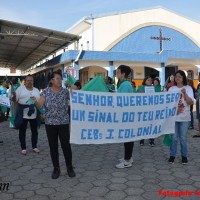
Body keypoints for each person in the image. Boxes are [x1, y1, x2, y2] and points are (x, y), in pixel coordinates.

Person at [31, 71, 75, 179]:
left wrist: (72, 86)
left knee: (66, 146)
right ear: (51, 81)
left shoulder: (65, 92)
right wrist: (35, 101)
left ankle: (69, 167)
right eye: (57, 78)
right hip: (50, 124)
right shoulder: (45, 92)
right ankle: (56, 168)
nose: (60, 80)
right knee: (53, 147)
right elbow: (40, 106)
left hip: (64, 123)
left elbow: (76, 97)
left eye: (60, 78)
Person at [168, 70, 194, 164]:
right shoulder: (171, 89)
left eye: (179, 76)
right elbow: (168, 103)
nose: (177, 78)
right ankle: (172, 155)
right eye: (176, 76)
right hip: (173, 118)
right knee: (174, 138)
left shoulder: (188, 88)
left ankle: (184, 156)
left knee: (183, 138)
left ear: (183, 78)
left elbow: (190, 102)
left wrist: (185, 93)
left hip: (184, 118)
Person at [12, 75, 41, 155]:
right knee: (22, 131)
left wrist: (41, 112)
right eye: (28, 80)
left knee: (34, 131)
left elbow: (39, 102)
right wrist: (13, 96)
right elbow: (15, 100)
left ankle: (34, 146)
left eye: (31, 80)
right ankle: (23, 148)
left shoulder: (36, 90)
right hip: (23, 113)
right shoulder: (20, 89)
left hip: (34, 113)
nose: (29, 82)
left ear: (33, 81)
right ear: (25, 81)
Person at [115, 65, 134, 169]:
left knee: (128, 138)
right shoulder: (122, 83)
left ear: (123, 74)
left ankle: (127, 161)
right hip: (124, 114)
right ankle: (128, 157)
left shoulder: (126, 84)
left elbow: (122, 99)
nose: (116, 74)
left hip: (126, 115)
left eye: (118, 72)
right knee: (127, 137)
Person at [137, 76, 155, 147]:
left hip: (151, 109)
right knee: (143, 125)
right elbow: (135, 95)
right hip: (143, 110)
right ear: (145, 81)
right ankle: (142, 140)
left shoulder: (153, 88)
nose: (150, 81)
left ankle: (151, 140)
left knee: (151, 125)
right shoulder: (140, 87)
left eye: (151, 80)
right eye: (148, 80)